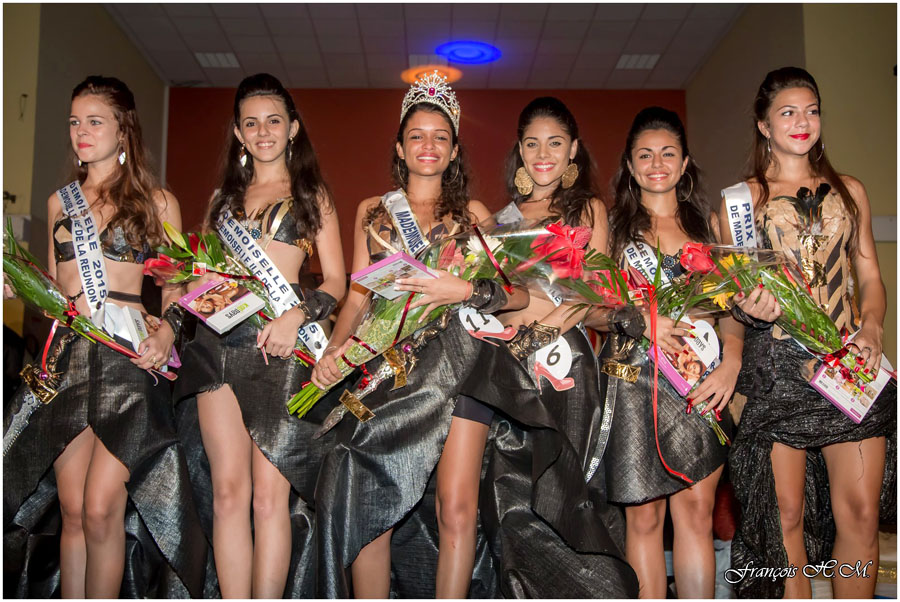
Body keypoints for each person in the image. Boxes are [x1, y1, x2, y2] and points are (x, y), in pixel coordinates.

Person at [311, 71, 528, 598]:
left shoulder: (474, 216)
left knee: (456, 507)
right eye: (416, 136)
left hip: (461, 367)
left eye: (440, 137)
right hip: (390, 367)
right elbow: (357, 298)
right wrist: (335, 351)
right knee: (372, 500)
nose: (428, 146)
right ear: (399, 147)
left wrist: (464, 289)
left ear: (453, 150)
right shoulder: (372, 211)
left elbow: (517, 295)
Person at [3, 75, 208, 598]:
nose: (82, 131)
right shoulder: (60, 202)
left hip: (126, 355)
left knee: (100, 508)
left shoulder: (158, 201)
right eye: (75, 122)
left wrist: (168, 334)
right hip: (67, 355)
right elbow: (57, 290)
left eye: (95, 121)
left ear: (124, 130)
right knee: (72, 510)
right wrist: (18, 282)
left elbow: (178, 288)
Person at [724, 66, 895, 599]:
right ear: (764, 124)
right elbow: (735, 295)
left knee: (862, 512)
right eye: (788, 112)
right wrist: (748, 306)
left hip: (848, 364)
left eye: (812, 110)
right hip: (778, 370)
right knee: (786, 516)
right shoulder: (741, 202)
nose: (802, 121)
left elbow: (870, 275)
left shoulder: (851, 190)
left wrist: (872, 327)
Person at [173, 73, 345, 598]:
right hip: (217, 346)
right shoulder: (220, 201)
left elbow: (337, 281)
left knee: (270, 499)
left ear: (293, 128)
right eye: (251, 123)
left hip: (279, 346)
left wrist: (298, 316)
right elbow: (200, 276)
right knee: (228, 494)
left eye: (273, 121)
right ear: (238, 133)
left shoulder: (311, 195)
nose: (263, 131)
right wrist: (190, 286)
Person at [591, 106, 743, 598]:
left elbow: (734, 308)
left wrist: (733, 363)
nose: (657, 164)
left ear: (685, 162)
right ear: (630, 166)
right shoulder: (612, 229)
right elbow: (589, 310)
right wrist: (642, 319)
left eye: (668, 153)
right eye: (645, 155)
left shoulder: (711, 227)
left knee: (696, 513)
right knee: (645, 518)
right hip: (632, 382)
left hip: (700, 379)